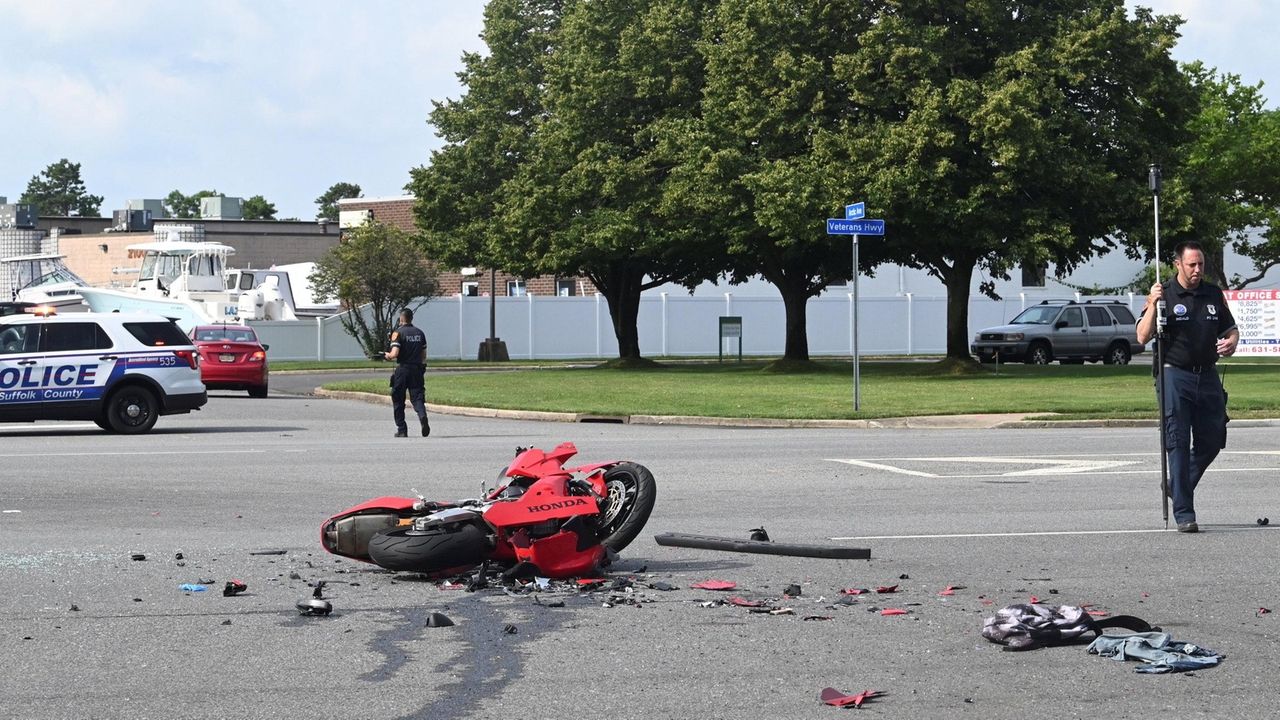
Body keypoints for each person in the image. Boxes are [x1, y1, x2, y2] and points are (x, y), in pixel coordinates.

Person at [1136, 241, 1238, 533]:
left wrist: (1233, 340)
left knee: (1213, 439)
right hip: (1174, 375)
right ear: (1178, 264)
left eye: (1201, 264)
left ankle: (1175, 485)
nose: (1197, 270)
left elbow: (1229, 328)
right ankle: (1184, 512)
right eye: (1192, 264)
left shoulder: (1213, 294)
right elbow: (1142, 336)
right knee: (1177, 442)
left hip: (1207, 374)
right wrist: (1154, 304)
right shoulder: (1164, 294)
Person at [383, 307, 430, 438]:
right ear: (411, 318)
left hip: (403, 370)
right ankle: (422, 416)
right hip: (417, 370)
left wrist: (387, 356)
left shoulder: (397, 333)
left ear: (401, 318)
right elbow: (424, 355)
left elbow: (395, 353)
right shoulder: (420, 333)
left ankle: (402, 429)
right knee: (417, 397)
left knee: (398, 399)